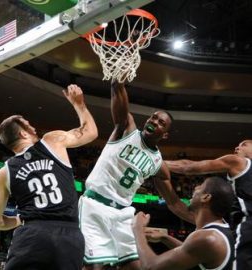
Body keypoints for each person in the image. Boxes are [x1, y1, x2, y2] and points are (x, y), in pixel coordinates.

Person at [0, 84, 98, 270]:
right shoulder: (52, 141)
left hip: (32, 234)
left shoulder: (4, 172)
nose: (33, 127)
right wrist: (79, 105)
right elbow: (91, 133)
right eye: (28, 125)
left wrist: (20, 220)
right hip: (68, 235)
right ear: (23, 133)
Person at [78, 80, 176, 270]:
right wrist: (118, 85)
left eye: (161, 123)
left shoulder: (158, 163)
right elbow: (121, 110)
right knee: (93, 267)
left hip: (123, 214)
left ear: (165, 135)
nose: (154, 121)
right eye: (153, 117)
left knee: (135, 267)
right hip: (96, 206)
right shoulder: (127, 129)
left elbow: (169, 189)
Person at [165, 139, 252, 270]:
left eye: (244, 145)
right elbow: (177, 206)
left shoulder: (239, 162)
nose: (237, 148)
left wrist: (155, 162)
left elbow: (188, 167)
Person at [132, 176, 235, 270]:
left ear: (206, 197)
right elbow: (192, 250)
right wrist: (164, 237)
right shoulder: (219, 227)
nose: (195, 187)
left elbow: (150, 266)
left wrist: (137, 228)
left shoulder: (209, 238)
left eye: (201, 186)